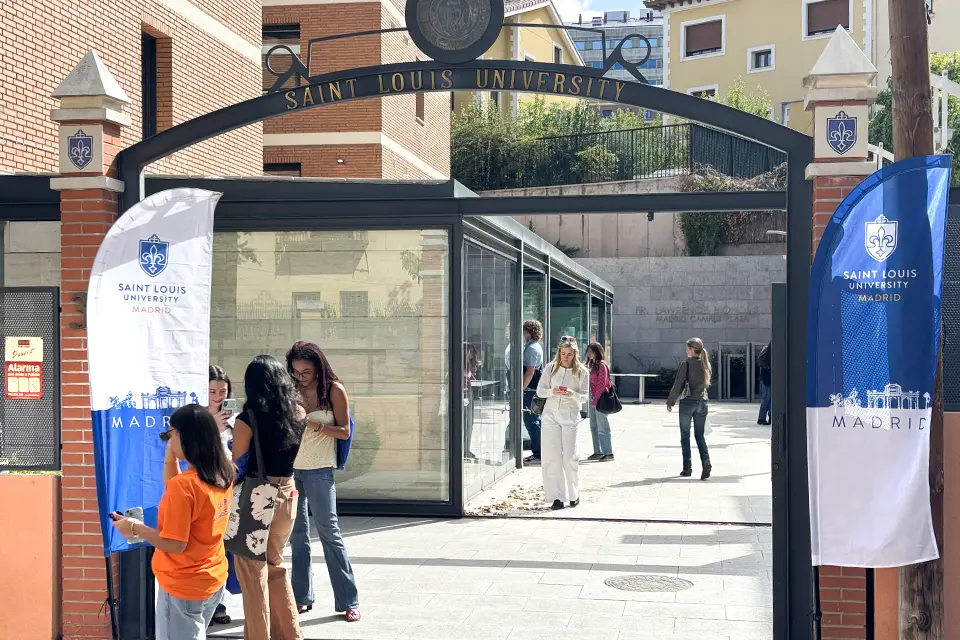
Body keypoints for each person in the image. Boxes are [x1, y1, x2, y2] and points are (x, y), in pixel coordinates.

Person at [110, 404, 234, 640]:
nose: (168, 438)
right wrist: (170, 452)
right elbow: (176, 491)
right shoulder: (222, 472)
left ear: (185, 436)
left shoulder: (185, 486)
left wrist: (135, 527)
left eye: (171, 433)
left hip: (183, 583)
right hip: (212, 575)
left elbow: (175, 544)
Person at [287, 341, 361, 623]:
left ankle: (348, 601)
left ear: (318, 367)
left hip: (320, 470)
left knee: (330, 534)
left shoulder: (334, 390)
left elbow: (344, 431)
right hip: (292, 470)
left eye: (306, 372)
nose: (301, 377)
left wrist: (314, 424)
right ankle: (302, 597)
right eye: (295, 372)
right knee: (297, 537)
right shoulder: (291, 389)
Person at [232, 355, 305, 640]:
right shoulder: (298, 412)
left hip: (257, 499)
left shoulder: (247, 419)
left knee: (252, 574)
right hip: (288, 493)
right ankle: (290, 635)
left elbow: (237, 465)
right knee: (274, 567)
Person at [536, 336, 589, 510]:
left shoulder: (582, 371)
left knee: (569, 457)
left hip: (570, 415)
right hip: (550, 414)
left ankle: (574, 493)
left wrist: (571, 394)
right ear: (559, 352)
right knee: (552, 457)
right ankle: (557, 497)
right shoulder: (551, 368)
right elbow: (540, 391)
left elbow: (584, 397)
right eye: (563, 353)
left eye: (569, 354)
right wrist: (553, 391)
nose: (566, 357)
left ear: (575, 354)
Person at [207, 365, 235, 627]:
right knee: (211, 545)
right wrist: (211, 425)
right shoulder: (197, 417)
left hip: (231, 484)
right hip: (206, 487)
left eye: (222, 391)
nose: (217, 396)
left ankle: (219, 602)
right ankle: (213, 603)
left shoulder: (234, 417)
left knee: (225, 547)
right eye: (212, 391)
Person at [666, 337, 713, 480]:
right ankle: (706, 463)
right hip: (702, 403)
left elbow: (678, 384)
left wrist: (670, 401)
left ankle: (687, 468)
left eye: (687, 348)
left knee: (685, 436)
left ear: (692, 349)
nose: (686, 350)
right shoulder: (706, 364)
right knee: (700, 436)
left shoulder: (686, 364)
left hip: (688, 403)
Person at [585, 343, 614, 462]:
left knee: (603, 426)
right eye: (588, 351)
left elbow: (602, 385)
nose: (589, 354)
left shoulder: (602, 365)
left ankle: (608, 452)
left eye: (592, 351)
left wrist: (595, 400)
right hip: (593, 398)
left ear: (597, 352)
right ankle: (597, 451)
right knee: (593, 426)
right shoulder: (592, 365)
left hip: (600, 399)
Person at [521, 320, 545, 464]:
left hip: (530, 390)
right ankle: (539, 451)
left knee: (531, 421)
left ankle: (538, 452)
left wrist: (521, 389)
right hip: (531, 389)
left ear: (529, 332)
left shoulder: (532, 348)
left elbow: (530, 372)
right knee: (533, 421)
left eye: (524, 331)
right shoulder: (532, 346)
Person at [462, 342, 479, 461]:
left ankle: (466, 449)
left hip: (469, 392)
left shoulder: (469, 363)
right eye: (470, 351)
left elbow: (472, 378)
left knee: (469, 422)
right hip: (463, 392)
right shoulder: (462, 363)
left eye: (473, 351)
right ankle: (464, 449)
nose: (472, 354)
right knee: (465, 422)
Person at [756, 342, 772, 425]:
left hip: (765, 377)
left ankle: (762, 418)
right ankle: (766, 417)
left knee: (766, 399)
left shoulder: (766, 349)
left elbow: (759, 362)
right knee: (769, 399)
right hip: (769, 377)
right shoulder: (771, 351)